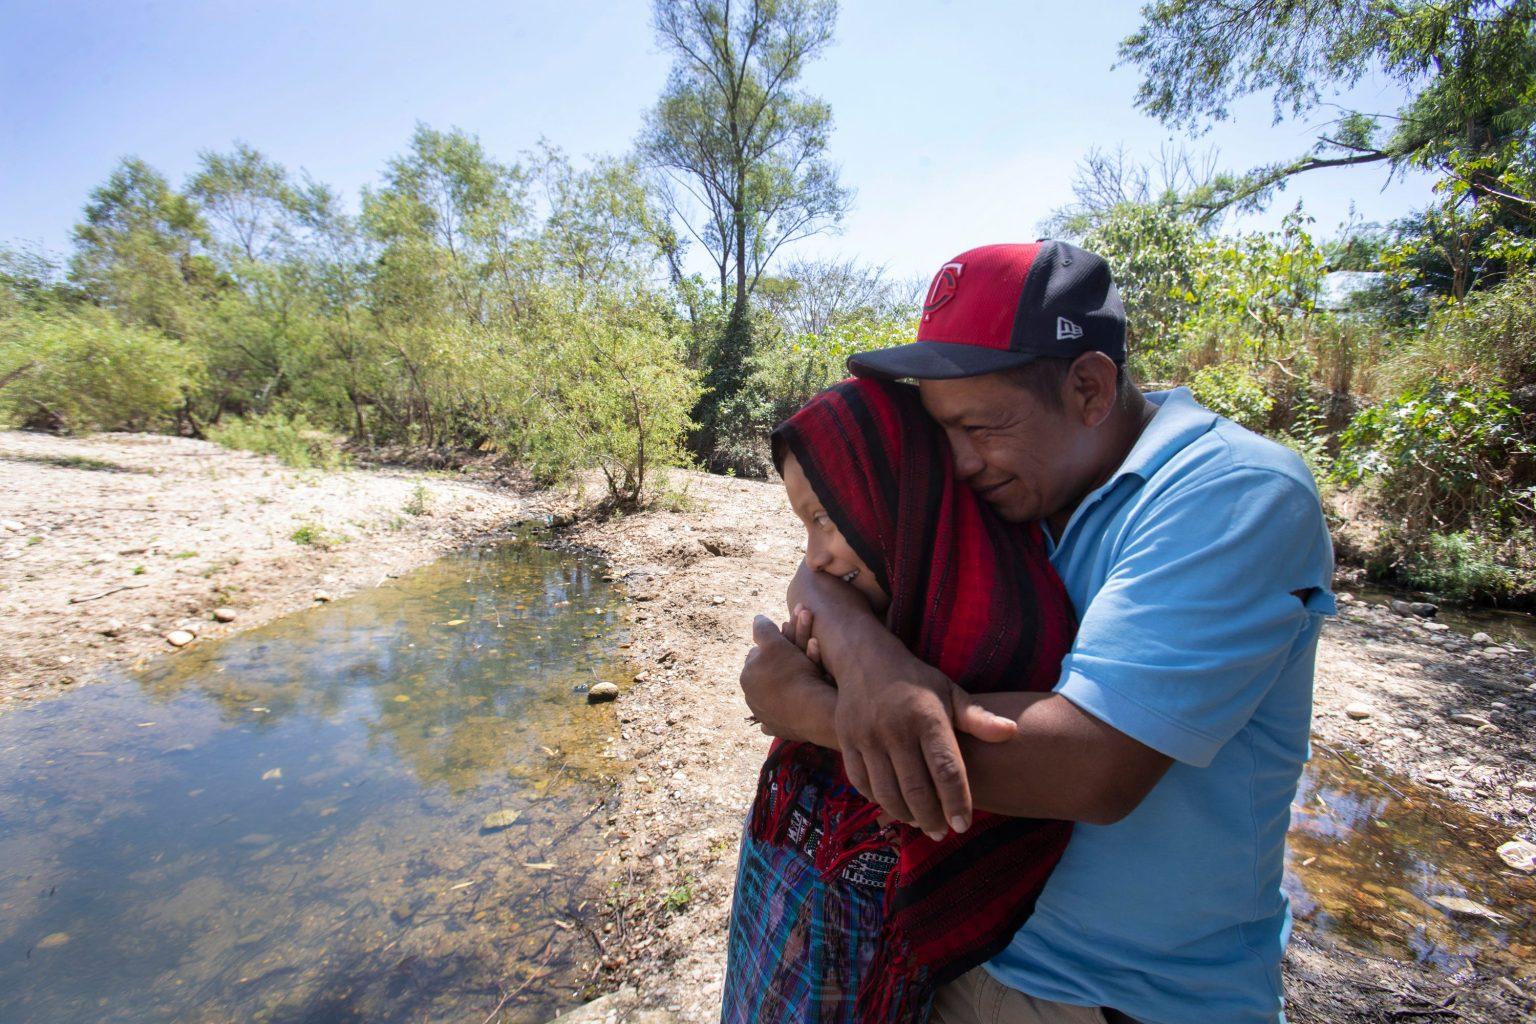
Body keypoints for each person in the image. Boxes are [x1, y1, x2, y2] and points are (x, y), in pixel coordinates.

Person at [739, 241, 1335, 1024]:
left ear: (1089, 388)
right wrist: (868, 656)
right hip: (957, 948)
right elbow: (832, 562)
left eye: (980, 426)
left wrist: (816, 713)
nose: (957, 463)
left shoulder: (1232, 494)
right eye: (941, 430)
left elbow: (1093, 765)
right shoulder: (1020, 478)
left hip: (1124, 997)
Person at [723, 376, 1076, 1023]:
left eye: (825, 518)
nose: (815, 556)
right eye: (804, 524)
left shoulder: (1004, 634)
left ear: (896, 496)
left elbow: (1045, 772)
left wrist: (808, 708)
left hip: (872, 953)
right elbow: (811, 580)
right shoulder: (876, 607)